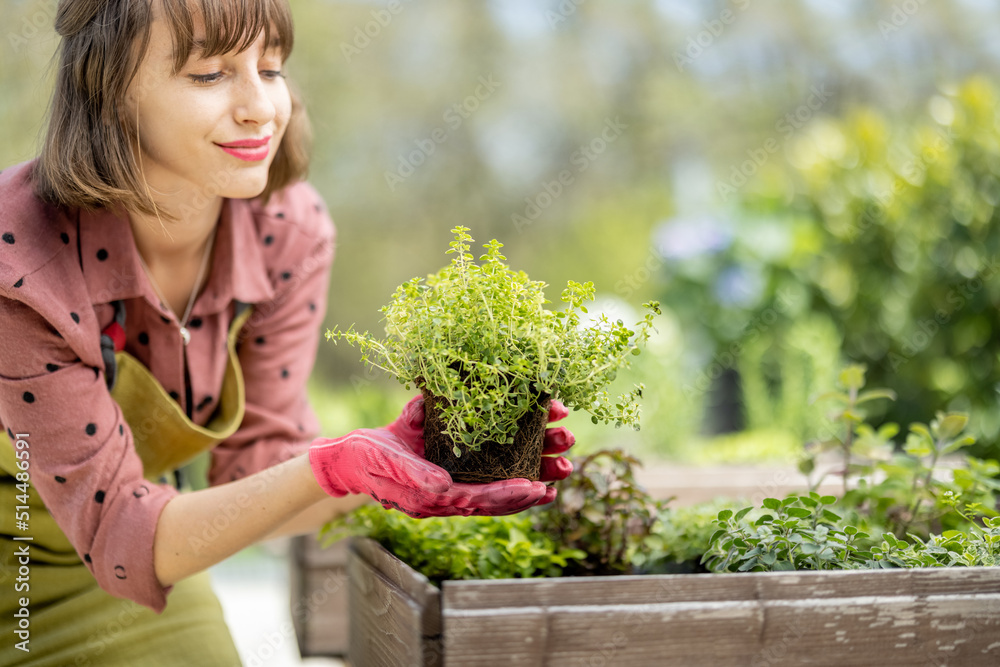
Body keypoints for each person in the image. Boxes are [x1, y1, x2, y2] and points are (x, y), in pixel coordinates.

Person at [0, 1, 575, 664]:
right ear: (110, 91)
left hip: (113, 569)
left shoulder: (285, 234)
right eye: (210, 74)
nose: (259, 108)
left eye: (270, 69)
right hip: (105, 537)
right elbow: (121, 532)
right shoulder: (20, 260)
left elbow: (254, 468)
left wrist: (390, 465)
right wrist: (338, 466)